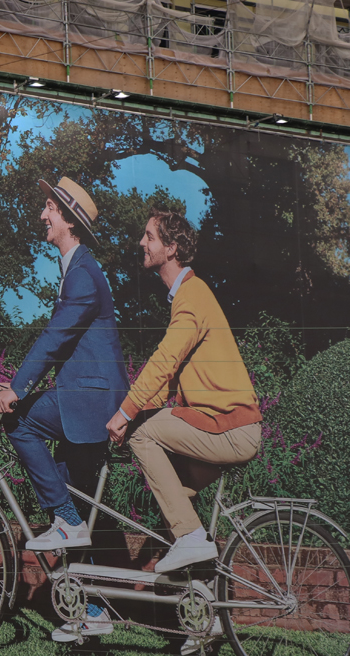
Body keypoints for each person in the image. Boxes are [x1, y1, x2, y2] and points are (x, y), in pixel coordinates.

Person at [106, 209, 262, 579]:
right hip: (221, 425)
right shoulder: (188, 295)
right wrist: (144, 405)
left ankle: (192, 538)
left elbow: (164, 361)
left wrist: (124, 414)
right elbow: (171, 376)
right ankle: (198, 607)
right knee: (173, 499)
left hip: (230, 428)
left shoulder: (191, 295)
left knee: (142, 434)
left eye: (150, 237)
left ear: (171, 248)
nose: (142, 243)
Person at [0, 177, 129, 571]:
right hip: (86, 398)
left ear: (69, 220)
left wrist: (17, 389)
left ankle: (66, 522)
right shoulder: (78, 270)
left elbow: (54, 339)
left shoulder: (83, 274)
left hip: (92, 401)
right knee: (74, 493)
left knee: (17, 421)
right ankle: (90, 607)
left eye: (49, 208)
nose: (42, 215)